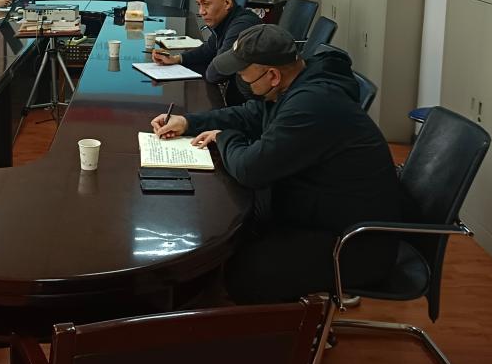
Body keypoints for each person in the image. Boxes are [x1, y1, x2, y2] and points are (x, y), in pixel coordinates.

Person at [150, 24, 403, 304]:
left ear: (272, 75)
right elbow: (251, 114)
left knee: (243, 272)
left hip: (353, 244)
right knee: (236, 231)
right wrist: (189, 122)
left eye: (244, 76)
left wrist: (224, 137)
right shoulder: (298, 83)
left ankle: (290, 324)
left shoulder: (312, 105)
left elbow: (250, 170)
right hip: (319, 213)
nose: (241, 82)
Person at [151, 0, 259, 103]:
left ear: (227, 2)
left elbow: (217, 73)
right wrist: (177, 59)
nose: (201, 11)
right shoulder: (227, 21)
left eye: (206, 4)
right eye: (199, 5)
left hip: (249, 107)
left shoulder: (242, 25)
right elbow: (208, 49)